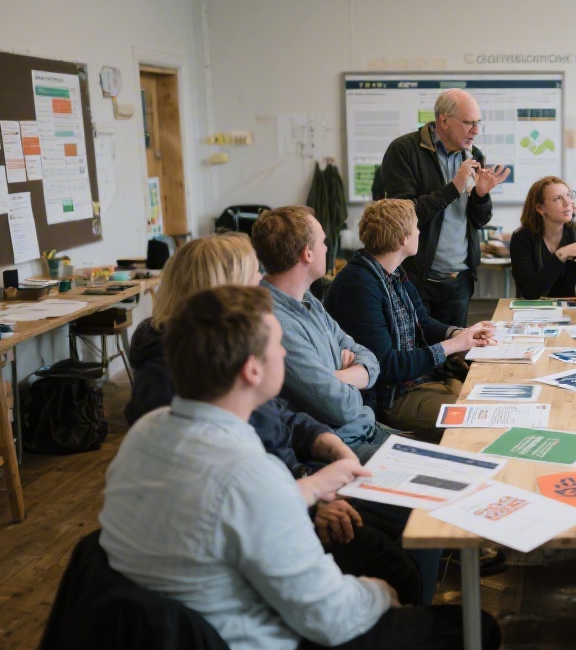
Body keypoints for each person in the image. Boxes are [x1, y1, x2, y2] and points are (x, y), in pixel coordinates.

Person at [100, 286, 500, 650]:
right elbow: (331, 617)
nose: (286, 354)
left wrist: (309, 488)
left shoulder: (147, 433)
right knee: (474, 628)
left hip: (175, 624)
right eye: (278, 345)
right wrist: (378, 594)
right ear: (252, 370)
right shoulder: (250, 475)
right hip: (254, 635)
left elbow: (232, 509)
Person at [123, 233, 422, 605]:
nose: (262, 283)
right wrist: (312, 497)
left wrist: (325, 445)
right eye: (253, 275)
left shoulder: (227, 351)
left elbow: (277, 417)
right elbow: (241, 484)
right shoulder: (176, 379)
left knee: (401, 515)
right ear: (222, 292)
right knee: (399, 550)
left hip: (291, 487)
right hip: (271, 517)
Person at [324, 199, 498, 443]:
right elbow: (384, 366)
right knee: (480, 421)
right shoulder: (359, 284)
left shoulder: (393, 272)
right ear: (403, 239)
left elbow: (422, 323)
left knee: (489, 398)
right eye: (416, 227)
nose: (420, 231)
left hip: (413, 384)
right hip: (389, 400)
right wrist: (453, 346)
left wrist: (460, 333)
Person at [251, 206, 390, 459]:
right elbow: (342, 407)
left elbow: (368, 357)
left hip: (366, 429)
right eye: (323, 241)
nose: (327, 248)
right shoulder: (277, 323)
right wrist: (351, 376)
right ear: (308, 253)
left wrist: (333, 376)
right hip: (343, 446)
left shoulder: (307, 299)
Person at [374, 88, 511, 327]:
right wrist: (454, 186)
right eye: (469, 123)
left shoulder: (474, 154)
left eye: (477, 123)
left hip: (459, 281)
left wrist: (481, 195)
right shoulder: (404, 150)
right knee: (421, 355)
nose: (475, 131)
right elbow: (404, 215)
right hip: (416, 279)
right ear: (444, 121)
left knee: (454, 356)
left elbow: (479, 221)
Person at [509, 176, 576, 299]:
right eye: (557, 199)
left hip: (575, 310)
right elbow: (530, 292)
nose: (567, 203)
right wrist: (562, 254)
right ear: (540, 208)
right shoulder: (522, 239)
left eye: (569, 196)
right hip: (536, 313)